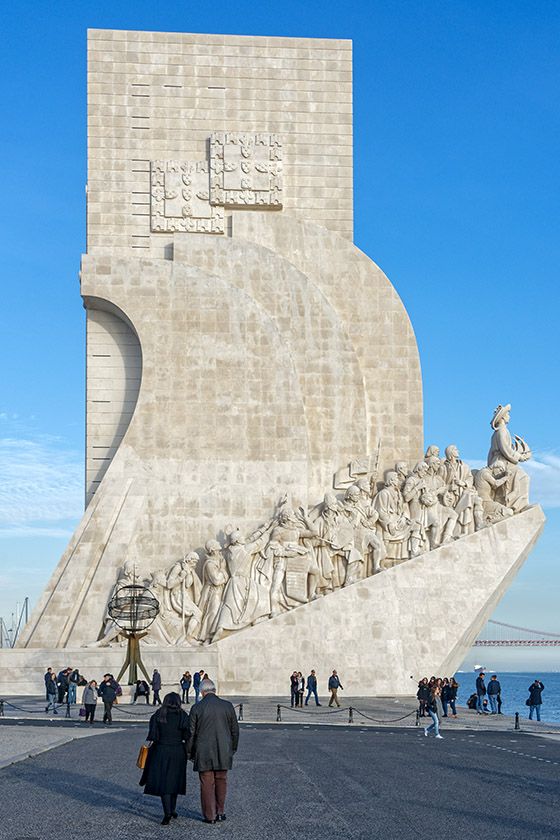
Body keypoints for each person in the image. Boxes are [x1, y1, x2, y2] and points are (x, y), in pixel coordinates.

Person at [187, 678, 239, 824]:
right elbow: (235, 731)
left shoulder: (196, 708)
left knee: (206, 783)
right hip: (223, 750)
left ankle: (209, 816)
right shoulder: (227, 706)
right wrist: (232, 749)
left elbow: (190, 733)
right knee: (221, 781)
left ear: (202, 693)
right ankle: (220, 812)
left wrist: (189, 753)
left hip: (203, 752)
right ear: (215, 691)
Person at [140, 692, 189, 825]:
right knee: (174, 780)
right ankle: (172, 810)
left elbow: (153, 735)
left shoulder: (158, 714)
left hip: (160, 750)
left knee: (164, 782)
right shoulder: (183, 715)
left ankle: (167, 812)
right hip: (177, 750)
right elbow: (187, 735)